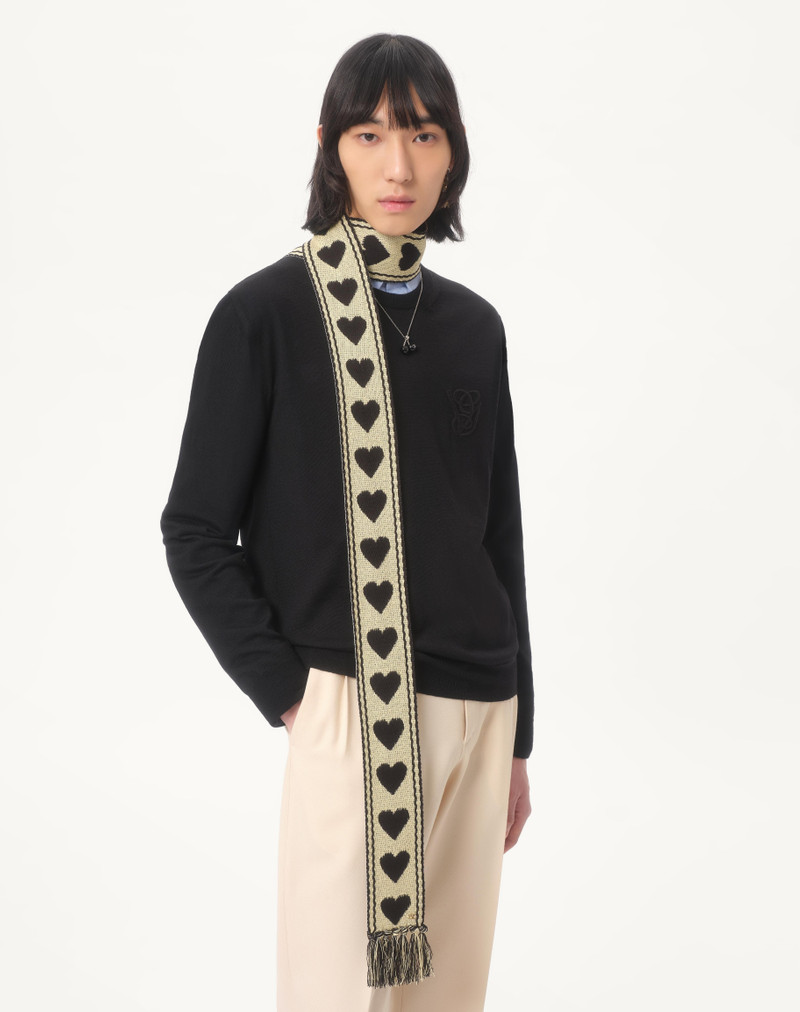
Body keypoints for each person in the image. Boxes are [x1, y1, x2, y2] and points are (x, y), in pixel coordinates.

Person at [160, 32, 533, 1012]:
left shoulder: (475, 328)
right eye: (370, 135)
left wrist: (519, 738)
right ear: (330, 147)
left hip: (481, 709)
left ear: (452, 152)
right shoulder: (265, 315)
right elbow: (194, 529)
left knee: (446, 1001)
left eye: (422, 134)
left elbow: (498, 535)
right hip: (353, 704)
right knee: (339, 997)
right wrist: (295, 695)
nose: (398, 165)